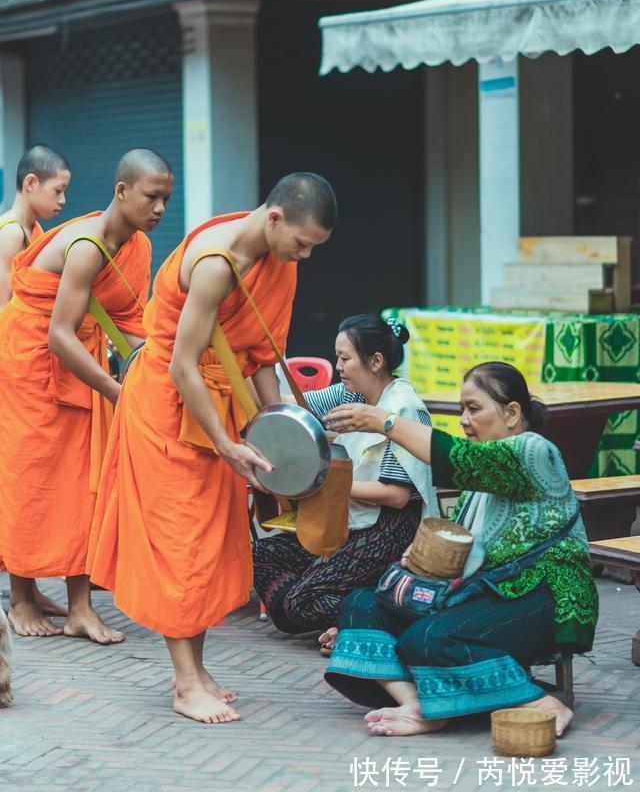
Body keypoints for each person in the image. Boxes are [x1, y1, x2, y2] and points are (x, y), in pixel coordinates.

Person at [87, 172, 336, 725]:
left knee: (209, 542)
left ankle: (198, 671)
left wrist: (282, 433)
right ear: (274, 218)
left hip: (219, 405)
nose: (305, 255)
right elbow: (180, 364)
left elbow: (265, 356)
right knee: (180, 542)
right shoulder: (216, 264)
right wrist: (227, 443)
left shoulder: (279, 264)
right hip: (168, 409)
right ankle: (183, 683)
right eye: (302, 242)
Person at [322, 361, 598, 739]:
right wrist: (417, 563)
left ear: (512, 413)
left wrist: (386, 422)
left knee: (432, 639)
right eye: (462, 410)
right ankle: (418, 705)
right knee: (361, 605)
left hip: (546, 596)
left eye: (474, 408)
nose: (465, 420)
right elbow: (462, 547)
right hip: (486, 591)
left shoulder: (534, 451)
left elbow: (456, 459)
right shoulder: (483, 467)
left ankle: (536, 702)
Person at [0, 148, 172, 644]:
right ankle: (21, 597)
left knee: (83, 484)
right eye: (151, 197)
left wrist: (162, 373)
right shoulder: (87, 243)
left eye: (166, 199)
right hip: (31, 363)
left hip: (81, 361)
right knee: (30, 478)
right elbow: (58, 334)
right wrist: (118, 391)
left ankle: (79, 607)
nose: (159, 208)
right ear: (122, 192)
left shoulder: (135, 244)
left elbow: (132, 324)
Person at [253, 314, 437, 653]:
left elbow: (396, 496)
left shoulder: (404, 409)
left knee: (298, 604)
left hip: (387, 528)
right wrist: (246, 366)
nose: (338, 366)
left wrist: (326, 483)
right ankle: (347, 612)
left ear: (376, 361)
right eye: (337, 357)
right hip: (347, 519)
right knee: (263, 554)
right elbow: (296, 408)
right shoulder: (348, 394)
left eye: (345, 358)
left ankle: (374, 617)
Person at [0, 145, 72, 634]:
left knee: (39, 473)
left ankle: (32, 586)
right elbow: (7, 310)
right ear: (30, 184)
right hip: (15, 368)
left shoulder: (34, 232)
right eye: (57, 189)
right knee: (22, 476)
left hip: (33, 365)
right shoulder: (10, 233)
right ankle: (19, 598)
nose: (64, 199)